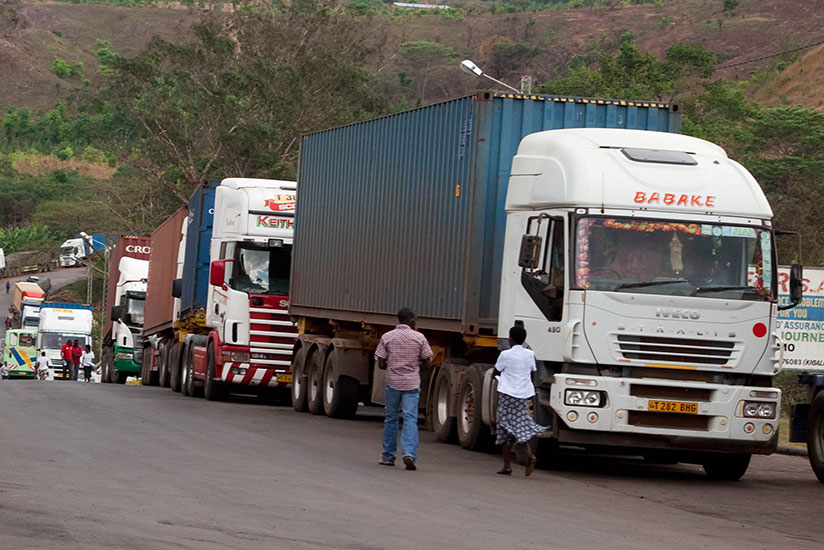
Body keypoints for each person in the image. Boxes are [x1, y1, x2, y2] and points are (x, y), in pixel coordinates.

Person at [375, 308, 433, 471]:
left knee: (391, 418)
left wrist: (394, 365)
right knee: (410, 419)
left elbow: (380, 363)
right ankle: (409, 453)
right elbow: (427, 362)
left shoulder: (387, 337)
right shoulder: (419, 337)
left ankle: (388, 456)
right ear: (408, 319)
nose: (416, 322)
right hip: (412, 383)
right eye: (414, 319)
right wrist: (415, 367)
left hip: (393, 382)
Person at [493, 325, 547, 477]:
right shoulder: (530, 354)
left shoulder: (505, 354)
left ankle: (507, 466)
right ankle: (529, 455)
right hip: (522, 395)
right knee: (519, 425)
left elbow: (497, 370)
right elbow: (532, 373)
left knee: (504, 428)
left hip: (507, 395)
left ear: (511, 339)